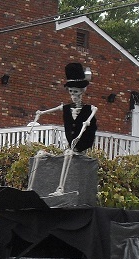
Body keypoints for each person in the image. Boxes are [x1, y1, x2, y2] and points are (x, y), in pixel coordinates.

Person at [27, 62, 98, 194]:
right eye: (71, 91)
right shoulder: (66, 108)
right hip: (69, 151)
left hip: (80, 153)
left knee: (68, 153)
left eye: (76, 92)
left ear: (82, 91)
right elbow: (46, 111)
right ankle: (30, 189)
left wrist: (83, 129)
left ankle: (60, 188)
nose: (73, 95)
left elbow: (89, 122)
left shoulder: (90, 109)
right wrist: (39, 115)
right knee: (41, 154)